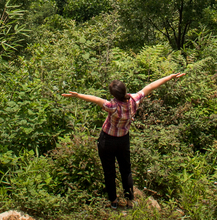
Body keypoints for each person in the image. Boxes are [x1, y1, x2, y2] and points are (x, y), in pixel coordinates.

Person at [62, 72, 185, 209]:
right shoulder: (134, 100)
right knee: (126, 170)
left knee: (109, 171)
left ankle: (113, 201)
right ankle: (129, 201)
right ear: (124, 90)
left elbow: (95, 99)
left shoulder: (112, 106)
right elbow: (151, 86)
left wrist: (78, 95)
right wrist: (169, 77)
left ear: (114, 95)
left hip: (107, 140)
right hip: (123, 140)